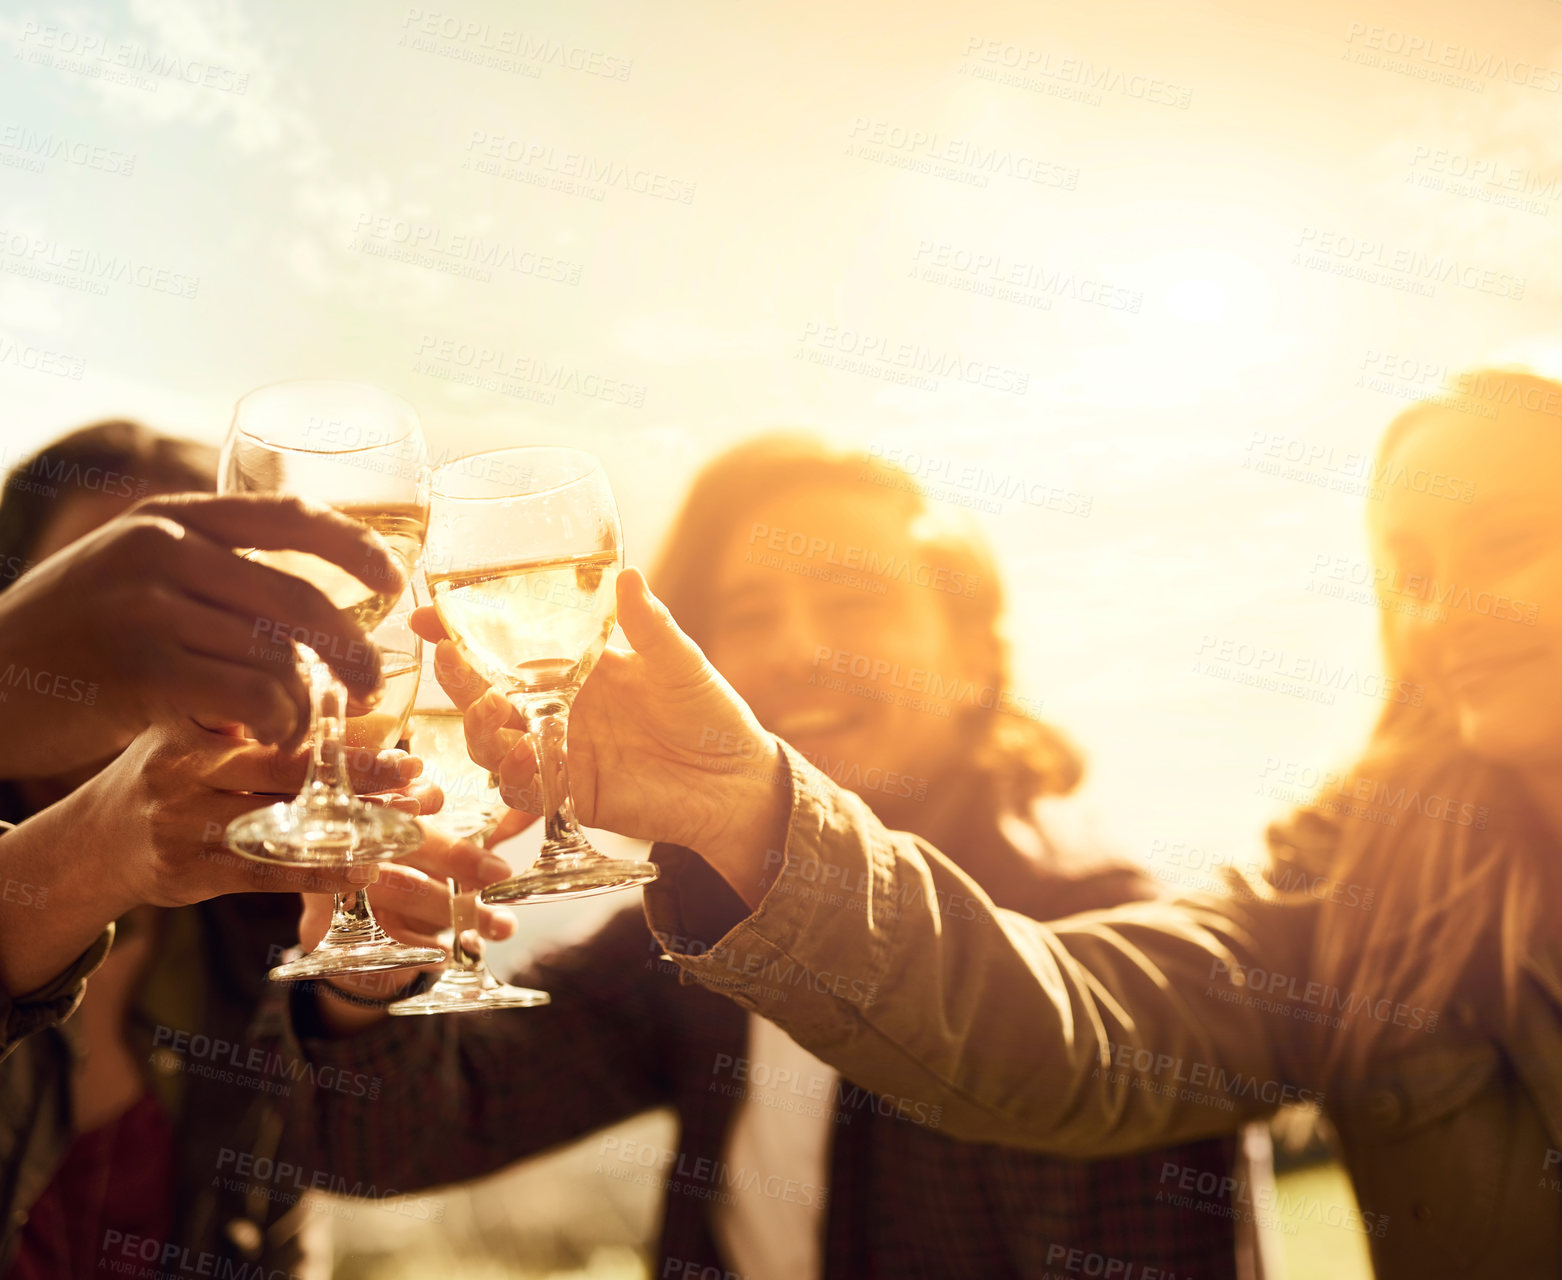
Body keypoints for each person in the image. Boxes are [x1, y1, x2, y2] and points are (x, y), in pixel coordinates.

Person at [436, 375, 1562, 1277]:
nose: (1441, 608)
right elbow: (1075, 1032)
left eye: (1505, 538)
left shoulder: (1088, 894)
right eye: (1404, 574)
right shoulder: (1360, 889)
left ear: (972, 646)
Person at [293, 436, 1251, 1279]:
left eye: (853, 598)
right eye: (750, 615)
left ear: (971, 653)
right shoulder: (694, 932)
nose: (798, 650)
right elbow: (386, 1140)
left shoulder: (1100, 942)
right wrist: (372, 969)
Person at [0, 422, 505, 1279]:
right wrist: (86, 854)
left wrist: (354, 990)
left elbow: (375, 1157)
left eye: (214, 589)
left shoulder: (251, 881)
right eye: (108, 584)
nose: (163, 628)